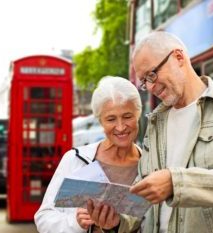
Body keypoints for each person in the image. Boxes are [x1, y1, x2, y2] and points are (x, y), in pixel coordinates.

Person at [91, 31, 213, 232]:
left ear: (178, 58)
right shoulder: (155, 123)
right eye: (144, 82)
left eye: (152, 74)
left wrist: (175, 183)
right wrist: (116, 221)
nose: (150, 87)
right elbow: (143, 200)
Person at [34, 76, 142, 233]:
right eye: (111, 119)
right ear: (100, 121)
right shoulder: (75, 159)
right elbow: (43, 218)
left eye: (127, 116)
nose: (120, 127)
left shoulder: (149, 164)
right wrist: (76, 223)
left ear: (138, 114)